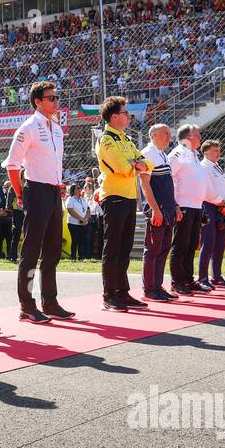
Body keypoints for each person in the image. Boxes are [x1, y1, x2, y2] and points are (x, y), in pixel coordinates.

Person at [4, 80, 74, 324]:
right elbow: (12, 165)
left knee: (53, 249)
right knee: (31, 250)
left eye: (56, 96)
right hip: (35, 191)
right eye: (51, 98)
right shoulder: (28, 127)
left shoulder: (56, 127)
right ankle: (26, 304)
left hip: (54, 192)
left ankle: (50, 301)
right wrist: (21, 194)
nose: (56, 101)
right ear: (38, 101)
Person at [96, 96, 157, 310]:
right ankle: (109, 294)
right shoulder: (106, 140)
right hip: (113, 197)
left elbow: (149, 163)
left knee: (125, 248)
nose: (128, 116)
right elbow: (122, 168)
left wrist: (137, 163)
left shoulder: (126, 139)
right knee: (112, 248)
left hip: (130, 197)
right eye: (125, 113)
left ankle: (122, 292)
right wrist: (136, 164)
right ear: (114, 117)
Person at [140, 124, 180, 302]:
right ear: (154, 134)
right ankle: (149, 289)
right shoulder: (148, 153)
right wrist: (155, 209)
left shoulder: (162, 154)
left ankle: (158, 285)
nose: (169, 138)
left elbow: (168, 185)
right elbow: (145, 183)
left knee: (163, 248)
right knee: (153, 248)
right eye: (166, 134)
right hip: (157, 209)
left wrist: (176, 206)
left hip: (168, 208)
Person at [167, 124, 208, 296]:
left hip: (196, 206)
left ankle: (189, 279)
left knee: (191, 245)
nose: (200, 137)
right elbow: (168, 178)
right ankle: (177, 281)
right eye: (197, 135)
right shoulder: (177, 154)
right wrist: (174, 204)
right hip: (183, 205)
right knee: (181, 245)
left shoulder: (194, 154)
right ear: (188, 137)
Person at [197, 140, 225, 289]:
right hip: (209, 207)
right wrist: (222, 203)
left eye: (219, 150)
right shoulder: (203, 167)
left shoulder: (217, 167)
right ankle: (202, 278)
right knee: (208, 243)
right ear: (205, 152)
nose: (218, 153)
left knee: (219, 244)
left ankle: (217, 276)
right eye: (214, 151)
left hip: (222, 207)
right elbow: (208, 190)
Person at [65, 184, 89, 263]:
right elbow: (70, 210)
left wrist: (86, 219)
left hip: (83, 223)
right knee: (75, 240)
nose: (80, 189)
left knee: (82, 240)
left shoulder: (83, 199)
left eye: (80, 188)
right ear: (73, 190)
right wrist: (81, 218)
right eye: (77, 188)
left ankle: (81, 257)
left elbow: (88, 209)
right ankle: (73, 257)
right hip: (73, 223)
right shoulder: (70, 199)